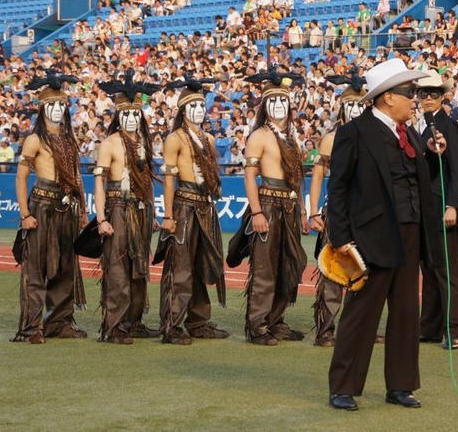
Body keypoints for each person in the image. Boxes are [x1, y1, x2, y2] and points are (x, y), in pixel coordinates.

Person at [326, 59, 445, 411]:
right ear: (387, 97)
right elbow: (339, 188)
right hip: (370, 237)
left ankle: (401, 385)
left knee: (407, 312)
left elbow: (420, 184)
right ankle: (343, 387)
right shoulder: (355, 132)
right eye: (410, 92)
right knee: (362, 313)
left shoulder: (412, 134)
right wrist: (342, 237)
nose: (416, 99)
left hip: (410, 232)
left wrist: (433, 154)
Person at [231, 69, 309, 346]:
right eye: (273, 101)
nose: (279, 106)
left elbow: (297, 178)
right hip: (268, 203)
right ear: (265, 106)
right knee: (264, 268)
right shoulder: (259, 136)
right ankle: (257, 325)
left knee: (290, 264)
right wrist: (256, 212)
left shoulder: (291, 137)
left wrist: (301, 211)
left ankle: (276, 321)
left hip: (288, 206)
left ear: (289, 105)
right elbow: (249, 177)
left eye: (283, 101)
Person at [12, 71, 89, 344]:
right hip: (42, 206)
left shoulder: (69, 140)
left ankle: (60, 322)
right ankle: (31, 327)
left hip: (68, 208)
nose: (57, 109)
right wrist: (25, 214)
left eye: (61, 105)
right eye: (52, 105)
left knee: (67, 267)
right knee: (36, 269)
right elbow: (21, 177)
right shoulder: (34, 140)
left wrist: (84, 208)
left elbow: (77, 176)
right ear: (42, 107)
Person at [156, 75, 228, 345]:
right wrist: (168, 215)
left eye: (201, 106)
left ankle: (198, 321)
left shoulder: (208, 138)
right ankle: (172, 325)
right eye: (193, 106)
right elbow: (169, 179)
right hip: (185, 205)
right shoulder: (174, 138)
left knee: (201, 265)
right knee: (181, 267)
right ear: (183, 111)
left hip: (205, 206)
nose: (199, 110)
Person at [94, 71, 162, 344]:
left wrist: (153, 212)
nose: (132, 119)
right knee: (119, 269)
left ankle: (133, 321)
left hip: (141, 211)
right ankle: (114, 327)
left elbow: (147, 182)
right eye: (127, 114)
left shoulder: (143, 144)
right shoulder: (109, 143)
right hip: (118, 208)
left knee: (139, 268)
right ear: (119, 116)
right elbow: (99, 182)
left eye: (137, 114)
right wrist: (101, 218)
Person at [308, 71, 368, 347]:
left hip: (368, 213)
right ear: (343, 107)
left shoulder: (373, 136)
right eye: (351, 104)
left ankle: (360, 328)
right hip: (338, 213)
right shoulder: (332, 139)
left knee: (366, 271)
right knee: (333, 271)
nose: (355, 109)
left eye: (360, 104)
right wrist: (312, 211)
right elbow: (318, 177)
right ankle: (326, 329)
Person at [417, 71, 458, 350]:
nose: (427, 99)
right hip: (427, 210)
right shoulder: (425, 126)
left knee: (447, 272)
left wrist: (452, 205)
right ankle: (429, 328)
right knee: (431, 270)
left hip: (443, 208)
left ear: (443, 96)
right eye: (423, 94)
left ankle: (453, 331)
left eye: (433, 94)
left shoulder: (449, 126)